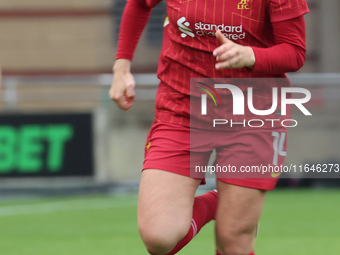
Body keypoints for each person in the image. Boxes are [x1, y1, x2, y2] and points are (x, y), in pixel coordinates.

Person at [110, 0, 309, 254]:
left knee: (233, 242)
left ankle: (231, 211)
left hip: (252, 112)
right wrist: (121, 67)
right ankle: (218, 203)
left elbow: (295, 52)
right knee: (159, 236)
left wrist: (251, 55)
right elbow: (139, 4)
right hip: (182, 108)